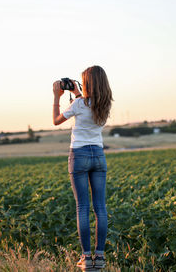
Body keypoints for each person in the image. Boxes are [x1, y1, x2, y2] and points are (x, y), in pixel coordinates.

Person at [53, 65, 113, 270]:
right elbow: (87, 103)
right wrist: (76, 93)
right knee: (100, 208)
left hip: (79, 155)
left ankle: (86, 258)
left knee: (82, 207)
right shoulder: (104, 104)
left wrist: (56, 96)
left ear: (87, 83)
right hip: (98, 155)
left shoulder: (79, 104)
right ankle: (100, 257)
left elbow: (55, 121)